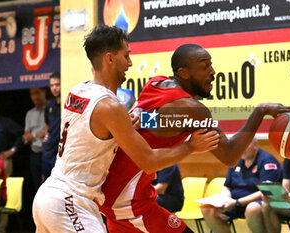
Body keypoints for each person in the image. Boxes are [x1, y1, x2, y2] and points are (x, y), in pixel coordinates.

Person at [32, 25, 219, 233]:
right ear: (110, 59)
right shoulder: (110, 106)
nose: (130, 63)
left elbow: (102, 128)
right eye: (126, 56)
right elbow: (148, 161)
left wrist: (137, 120)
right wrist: (190, 146)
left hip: (48, 195)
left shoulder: (77, 91)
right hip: (71, 202)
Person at [97, 43, 290, 233]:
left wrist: (141, 116)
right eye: (204, 66)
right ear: (183, 73)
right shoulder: (193, 111)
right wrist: (259, 112)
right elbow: (229, 155)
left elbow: (161, 121)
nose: (213, 72)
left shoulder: (156, 83)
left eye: (210, 64)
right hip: (127, 199)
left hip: (117, 191)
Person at [201, 140, 282, 233]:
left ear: (255, 145)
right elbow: (227, 186)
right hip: (235, 202)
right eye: (238, 147)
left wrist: (237, 202)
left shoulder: (267, 161)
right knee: (207, 208)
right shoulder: (236, 160)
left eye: (244, 146)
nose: (240, 150)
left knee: (252, 209)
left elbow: (267, 191)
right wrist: (225, 200)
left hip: (256, 202)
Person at [24, 87, 47, 191]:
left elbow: (48, 132)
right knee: (37, 186)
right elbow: (27, 134)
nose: (35, 97)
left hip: (48, 152)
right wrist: (36, 134)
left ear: (44, 92)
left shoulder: (51, 109)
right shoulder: (30, 113)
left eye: (37, 93)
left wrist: (43, 133)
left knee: (49, 185)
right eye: (32, 94)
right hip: (35, 153)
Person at [43, 71, 61, 180]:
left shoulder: (67, 103)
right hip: (48, 150)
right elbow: (46, 122)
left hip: (60, 151)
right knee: (45, 182)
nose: (54, 88)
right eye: (52, 85)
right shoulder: (49, 104)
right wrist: (46, 134)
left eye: (57, 85)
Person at [0, 100, 23, 176]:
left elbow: (22, 135)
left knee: (5, 187)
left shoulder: (5, 122)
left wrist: (12, 150)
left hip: (3, 160)